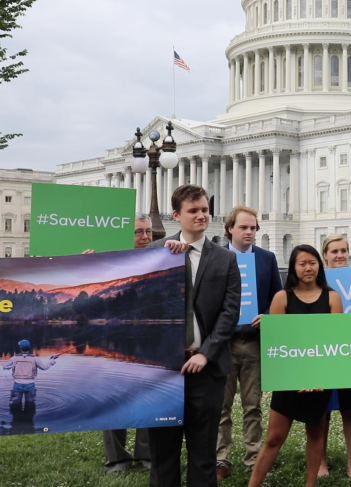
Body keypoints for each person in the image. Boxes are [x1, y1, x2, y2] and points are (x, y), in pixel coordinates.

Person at [147, 184, 241, 487]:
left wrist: (206, 353)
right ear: (176, 215)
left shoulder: (225, 259)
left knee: (203, 455)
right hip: (163, 371)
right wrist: (164, 259)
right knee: (163, 454)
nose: (201, 215)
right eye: (193, 210)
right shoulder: (155, 253)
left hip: (207, 371)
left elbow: (230, 312)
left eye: (204, 209)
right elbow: (139, 299)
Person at [247, 245, 344, 487]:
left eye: (312, 262)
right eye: (302, 263)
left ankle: (310, 484)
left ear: (319, 265)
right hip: (289, 379)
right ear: (293, 268)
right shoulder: (282, 297)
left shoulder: (332, 297)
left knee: (316, 434)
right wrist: (296, 379)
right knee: (274, 437)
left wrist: (319, 378)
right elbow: (278, 343)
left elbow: (335, 342)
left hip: (320, 380)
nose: (308, 268)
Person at [215, 206, 283, 481]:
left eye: (253, 228)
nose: (249, 232)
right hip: (223, 344)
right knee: (221, 405)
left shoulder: (266, 258)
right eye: (244, 227)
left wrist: (267, 316)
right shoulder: (217, 257)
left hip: (253, 342)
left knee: (252, 405)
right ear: (230, 228)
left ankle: (253, 458)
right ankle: (220, 459)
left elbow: (277, 297)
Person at [101, 212, 154, 474]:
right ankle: (117, 459)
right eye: (138, 231)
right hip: (114, 339)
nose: (145, 237)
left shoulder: (161, 259)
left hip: (149, 338)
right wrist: (88, 262)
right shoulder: (110, 261)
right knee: (112, 398)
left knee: (150, 397)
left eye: (148, 231)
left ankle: (147, 454)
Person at [319, 234, 351, 481]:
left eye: (343, 250)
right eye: (334, 251)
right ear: (325, 255)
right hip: (321, 350)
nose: (339, 255)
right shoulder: (316, 282)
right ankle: (321, 462)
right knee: (321, 410)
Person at [3, 340, 56, 413]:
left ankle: (16, 418)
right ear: (29, 348)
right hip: (30, 385)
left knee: (15, 405)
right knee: (30, 406)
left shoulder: (14, 358)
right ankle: (29, 418)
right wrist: (52, 360)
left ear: (20, 348)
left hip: (17, 384)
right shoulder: (35, 358)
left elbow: (5, 366)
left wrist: (15, 365)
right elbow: (44, 367)